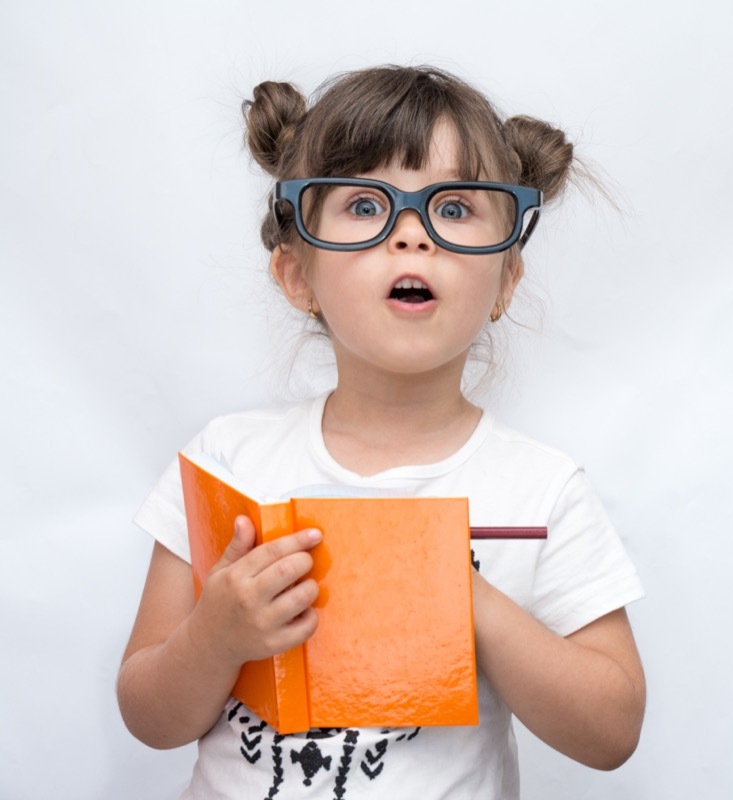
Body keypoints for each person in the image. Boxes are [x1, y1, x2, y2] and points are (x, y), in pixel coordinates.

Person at [117, 65, 646, 799]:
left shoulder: (541, 490)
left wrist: (467, 599)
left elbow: (612, 731)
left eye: (455, 209)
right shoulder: (227, 459)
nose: (411, 237)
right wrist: (217, 636)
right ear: (297, 275)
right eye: (366, 204)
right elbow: (148, 715)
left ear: (507, 280)